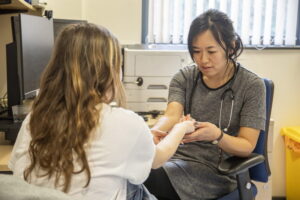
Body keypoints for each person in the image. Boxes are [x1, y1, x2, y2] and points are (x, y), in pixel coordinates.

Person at [8, 23, 196, 200]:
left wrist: (143, 137)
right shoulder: (125, 122)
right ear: (108, 71)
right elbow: (157, 159)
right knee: (136, 188)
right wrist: (182, 128)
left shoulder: (34, 118)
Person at [144, 9, 266, 200]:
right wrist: (151, 134)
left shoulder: (251, 85)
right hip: (176, 160)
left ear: (231, 47)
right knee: (137, 170)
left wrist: (217, 136)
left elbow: (247, 146)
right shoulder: (184, 77)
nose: (203, 60)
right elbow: (171, 115)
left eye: (211, 51)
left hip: (217, 172)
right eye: (196, 51)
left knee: (148, 178)